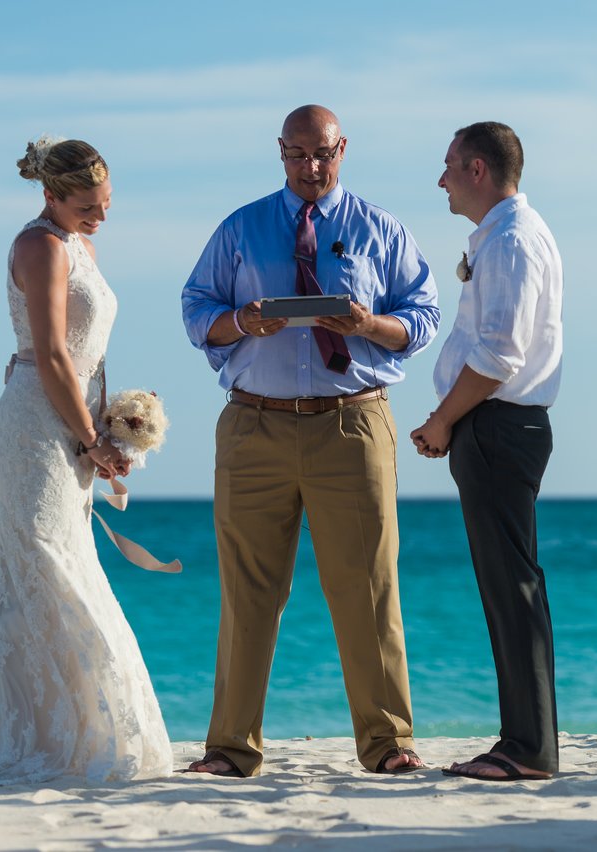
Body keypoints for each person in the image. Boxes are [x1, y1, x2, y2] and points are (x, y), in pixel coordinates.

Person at [180, 105, 439, 778]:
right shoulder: (241, 227)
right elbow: (196, 308)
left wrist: (367, 325)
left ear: (343, 149)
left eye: (321, 154)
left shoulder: (382, 228)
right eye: (296, 154)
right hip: (254, 426)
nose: (310, 167)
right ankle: (231, 750)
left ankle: (387, 745)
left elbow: (425, 313)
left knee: (368, 588)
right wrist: (240, 321)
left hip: (351, 425)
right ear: (280, 152)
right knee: (248, 592)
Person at [0, 137, 172, 785]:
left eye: (107, 203)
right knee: (42, 563)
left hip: (75, 417)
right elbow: (53, 353)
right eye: (87, 205)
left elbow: (88, 350)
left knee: (71, 559)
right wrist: (91, 437)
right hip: (37, 423)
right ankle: (44, 736)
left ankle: (83, 733)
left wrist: (112, 426)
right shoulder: (38, 246)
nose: (100, 215)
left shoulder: (82, 246)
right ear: (50, 195)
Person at [410, 121, 564, 781]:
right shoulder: (503, 238)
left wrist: (443, 421)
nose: (440, 178)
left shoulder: (511, 241)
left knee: (513, 586)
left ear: (478, 169)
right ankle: (521, 741)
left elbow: (499, 354)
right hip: (493, 423)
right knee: (505, 588)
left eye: (449, 166)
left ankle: (529, 748)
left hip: (498, 424)